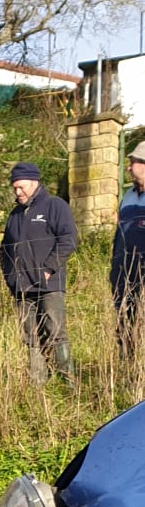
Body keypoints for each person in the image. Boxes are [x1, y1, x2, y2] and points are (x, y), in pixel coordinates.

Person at [0, 162, 78, 384]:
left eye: (21, 187)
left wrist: (49, 269)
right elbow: (4, 249)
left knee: (55, 331)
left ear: (34, 182)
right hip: (21, 288)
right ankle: (38, 383)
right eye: (14, 188)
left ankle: (68, 381)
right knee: (30, 336)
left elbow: (69, 239)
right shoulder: (14, 215)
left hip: (49, 285)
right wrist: (10, 278)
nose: (17, 192)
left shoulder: (55, 206)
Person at [110, 141, 145, 353]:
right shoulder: (128, 196)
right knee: (124, 318)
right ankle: (128, 365)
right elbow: (119, 232)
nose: (129, 168)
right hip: (124, 271)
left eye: (133, 163)